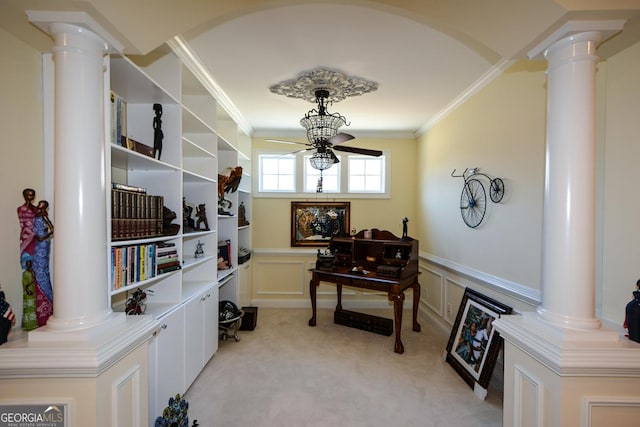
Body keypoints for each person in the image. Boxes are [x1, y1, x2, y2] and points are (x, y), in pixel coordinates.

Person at [32, 200, 54, 326]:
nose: (40, 208)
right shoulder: (38, 218)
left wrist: (46, 235)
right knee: (40, 271)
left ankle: (48, 306)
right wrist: (47, 235)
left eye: (43, 207)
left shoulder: (43, 217)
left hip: (44, 246)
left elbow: (51, 230)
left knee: (44, 271)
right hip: (39, 247)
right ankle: (43, 313)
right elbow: (38, 236)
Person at [17, 188, 38, 263]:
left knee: (36, 256)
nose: (31, 196)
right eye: (29, 195)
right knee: (26, 257)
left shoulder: (37, 209)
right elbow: (22, 223)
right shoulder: (21, 209)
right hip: (26, 235)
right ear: (25, 196)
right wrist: (30, 233)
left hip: (37, 236)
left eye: (32, 195)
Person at [21, 259, 38, 330]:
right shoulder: (24, 273)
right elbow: (24, 283)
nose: (29, 265)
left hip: (33, 291)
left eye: (30, 263)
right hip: (27, 292)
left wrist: (33, 274)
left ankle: (33, 324)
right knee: (28, 307)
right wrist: (27, 290)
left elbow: (34, 280)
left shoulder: (33, 272)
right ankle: (27, 325)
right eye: (27, 263)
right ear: (26, 264)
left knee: (33, 308)